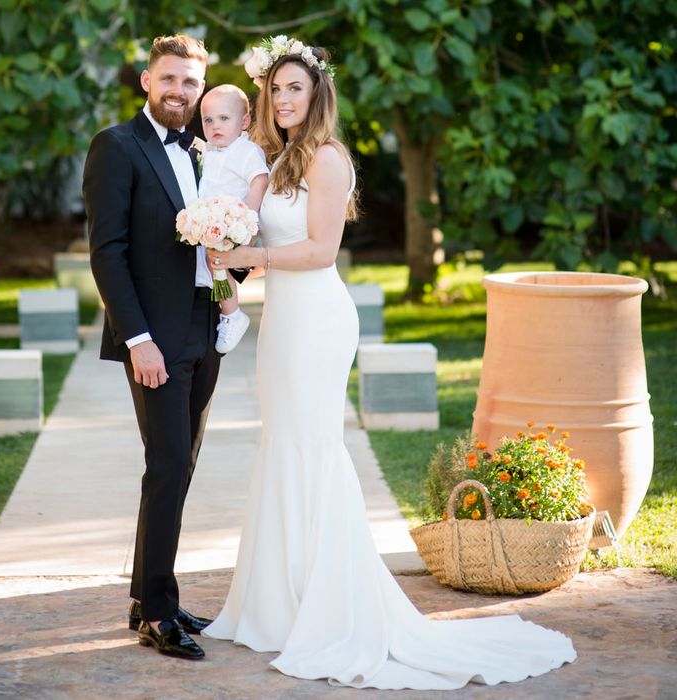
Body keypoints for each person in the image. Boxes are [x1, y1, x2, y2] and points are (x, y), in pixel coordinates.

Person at [204, 37, 578, 690]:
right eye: (276, 89)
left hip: (318, 319)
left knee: (312, 448)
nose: (283, 98)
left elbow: (321, 253)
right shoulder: (281, 157)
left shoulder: (326, 158)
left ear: (318, 95)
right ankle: (275, 604)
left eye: (295, 88)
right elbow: (266, 239)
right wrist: (224, 250)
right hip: (283, 321)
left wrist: (251, 259)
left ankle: (329, 607)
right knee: (283, 445)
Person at [83, 34, 236, 662]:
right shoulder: (116, 147)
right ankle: (157, 613)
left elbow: (216, 239)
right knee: (168, 464)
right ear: (147, 81)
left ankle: (150, 597)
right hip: (155, 339)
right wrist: (137, 340)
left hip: (204, 332)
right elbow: (107, 253)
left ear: (201, 91)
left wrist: (233, 278)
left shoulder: (207, 154)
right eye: (169, 79)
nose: (179, 92)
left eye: (191, 84)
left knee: (180, 466)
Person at [198, 84, 269, 354]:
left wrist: (246, 221)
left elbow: (259, 180)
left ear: (245, 121)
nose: (215, 125)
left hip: (237, 223)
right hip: (215, 222)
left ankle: (232, 315)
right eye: (208, 120)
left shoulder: (246, 151)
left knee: (219, 265)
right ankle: (226, 310)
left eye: (224, 118)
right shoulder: (210, 150)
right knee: (214, 268)